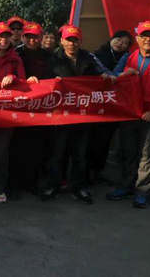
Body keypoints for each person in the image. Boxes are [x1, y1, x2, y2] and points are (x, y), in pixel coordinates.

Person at [40, 25, 114, 204]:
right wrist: (50, 82)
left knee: (80, 154)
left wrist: (106, 75)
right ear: (62, 41)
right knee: (57, 153)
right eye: (68, 39)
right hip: (60, 115)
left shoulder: (89, 58)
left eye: (75, 40)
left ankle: (79, 187)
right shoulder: (53, 59)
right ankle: (53, 185)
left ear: (80, 41)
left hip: (83, 114)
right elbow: (42, 81)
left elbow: (103, 71)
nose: (72, 43)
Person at [108, 21, 150, 208]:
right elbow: (113, 77)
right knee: (128, 152)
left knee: (147, 155)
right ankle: (126, 186)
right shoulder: (128, 58)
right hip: (129, 114)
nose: (147, 39)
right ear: (137, 38)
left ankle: (143, 191)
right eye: (144, 36)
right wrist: (125, 74)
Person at [0, 22, 30, 204]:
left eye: (6, 36)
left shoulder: (15, 59)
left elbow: (24, 82)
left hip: (7, 112)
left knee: (1, 153)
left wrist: (14, 78)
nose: (3, 40)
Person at [11, 22, 53, 196]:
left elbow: (53, 74)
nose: (32, 40)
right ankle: (15, 184)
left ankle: (33, 182)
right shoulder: (15, 54)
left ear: (41, 38)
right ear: (23, 37)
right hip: (19, 105)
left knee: (37, 146)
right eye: (28, 36)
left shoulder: (48, 55)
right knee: (17, 145)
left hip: (41, 107)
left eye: (35, 37)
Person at [89, 30, 133, 183]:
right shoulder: (97, 55)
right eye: (118, 39)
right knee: (95, 138)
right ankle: (88, 172)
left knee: (107, 140)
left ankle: (98, 172)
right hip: (98, 105)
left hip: (117, 106)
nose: (120, 43)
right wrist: (120, 76)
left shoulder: (130, 59)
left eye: (125, 42)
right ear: (112, 39)